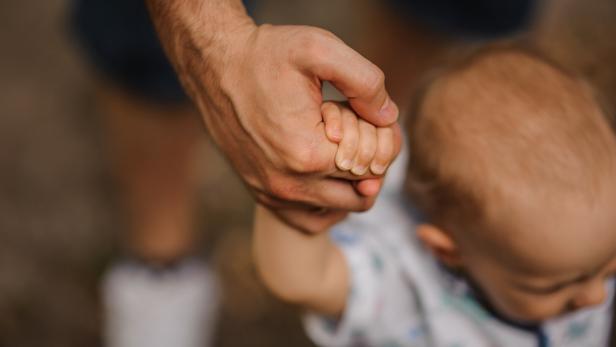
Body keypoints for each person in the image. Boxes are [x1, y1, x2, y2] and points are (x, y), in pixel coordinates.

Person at [253, 44, 616, 346]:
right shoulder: (403, 281)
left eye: (608, 266)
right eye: (554, 286)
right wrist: (306, 179)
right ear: (448, 250)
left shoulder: (585, 239)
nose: (595, 297)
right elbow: (299, 281)